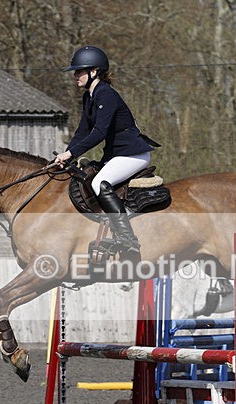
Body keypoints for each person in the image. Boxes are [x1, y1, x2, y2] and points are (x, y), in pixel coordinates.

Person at [55, 45, 158, 253]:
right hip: (117, 155)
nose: (75, 75)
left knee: (100, 183)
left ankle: (128, 239)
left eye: (79, 71)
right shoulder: (89, 97)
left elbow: (99, 132)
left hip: (134, 154)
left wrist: (73, 153)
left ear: (94, 72)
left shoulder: (106, 94)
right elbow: (82, 132)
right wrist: (66, 154)